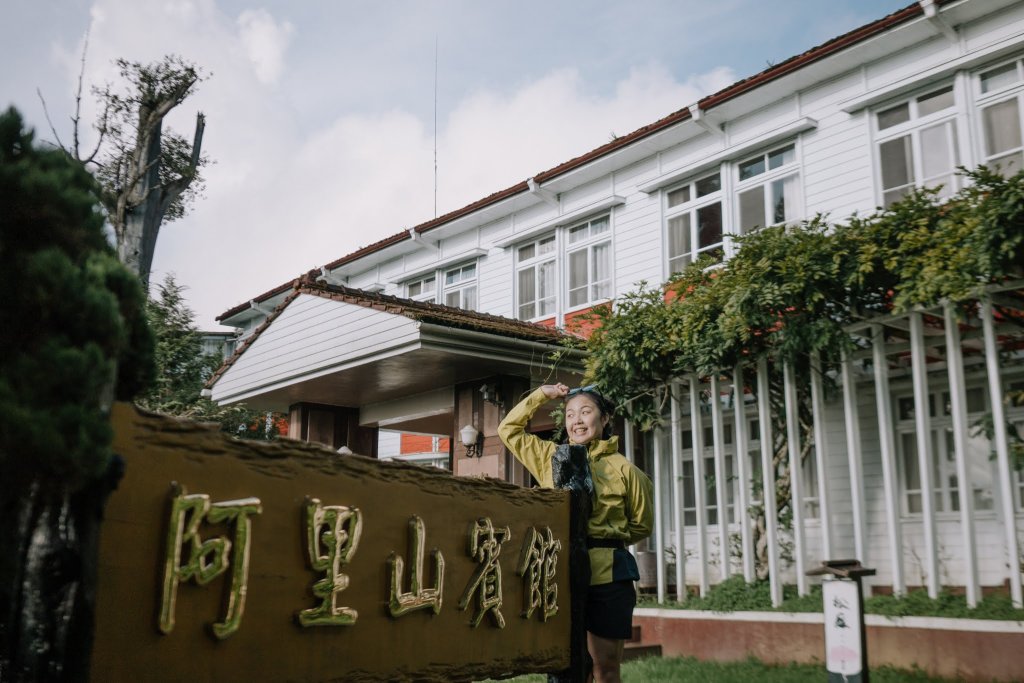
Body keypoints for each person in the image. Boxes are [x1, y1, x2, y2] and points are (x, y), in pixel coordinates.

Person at [498, 383, 654, 683]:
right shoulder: (550, 457)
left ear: (605, 418)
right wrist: (541, 395)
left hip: (609, 578)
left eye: (586, 412)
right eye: (570, 414)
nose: (577, 420)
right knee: (566, 668)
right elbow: (509, 430)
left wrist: (602, 542)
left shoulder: (627, 471)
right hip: (560, 575)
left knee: (605, 669)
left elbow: (641, 525)